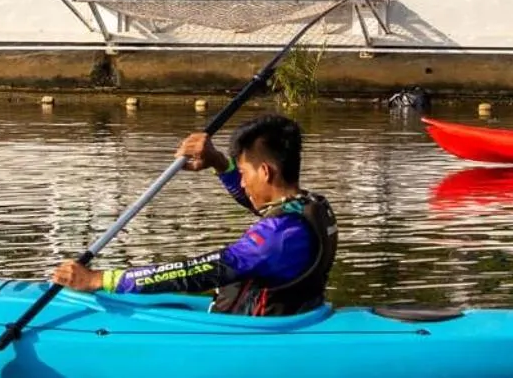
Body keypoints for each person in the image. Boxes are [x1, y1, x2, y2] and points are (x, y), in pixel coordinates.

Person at [50, 114, 337, 316]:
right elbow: (262, 205)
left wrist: (102, 280)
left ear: (265, 172)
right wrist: (218, 163)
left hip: (249, 330)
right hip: (286, 314)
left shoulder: (276, 238)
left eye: (243, 173)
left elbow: (198, 271)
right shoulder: (310, 206)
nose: (241, 183)